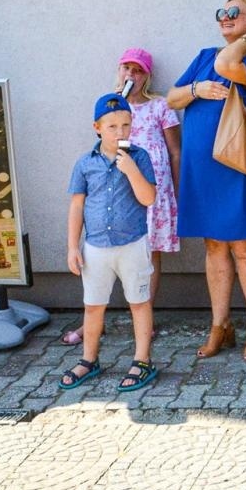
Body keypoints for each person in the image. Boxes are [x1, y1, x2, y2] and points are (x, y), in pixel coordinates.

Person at [167, 0, 246, 363]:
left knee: (244, 247)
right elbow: (172, 98)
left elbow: (226, 64)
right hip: (203, 169)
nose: (225, 18)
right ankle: (221, 326)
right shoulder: (203, 57)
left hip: (236, 164)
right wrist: (197, 89)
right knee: (214, 246)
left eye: (234, 13)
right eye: (221, 13)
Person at [61, 47, 181, 347]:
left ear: (147, 76)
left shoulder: (159, 106)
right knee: (103, 259)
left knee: (145, 255)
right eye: (126, 68)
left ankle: (143, 318)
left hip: (152, 189)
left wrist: (180, 193)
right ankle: (93, 323)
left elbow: (176, 152)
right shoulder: (109, 108)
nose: (131, 74)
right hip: (115, 194)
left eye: (138, 70)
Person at [59, 93, 160, 393]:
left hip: (132, 244)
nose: (120, 132)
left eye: (126, 125)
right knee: (93, 306)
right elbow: (77, 206)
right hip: (96, 247)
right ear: (97, 127)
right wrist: (72, 247)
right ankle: (89, 359)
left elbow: (148, 198)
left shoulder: (139, 158)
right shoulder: (85, 163)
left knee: (139, 303)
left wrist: (130, 170)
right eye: (113, 126)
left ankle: (142, 360)